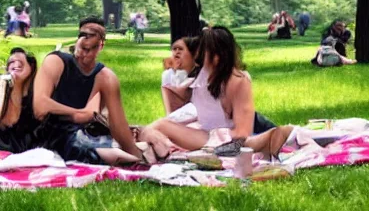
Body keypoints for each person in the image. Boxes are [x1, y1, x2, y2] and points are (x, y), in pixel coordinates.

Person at [138, 27, 293, 160]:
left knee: (248, 143)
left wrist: (217, 141)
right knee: (154, 128)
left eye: (202, 53)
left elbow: (242, 132)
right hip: (204, 131)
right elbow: (174, 107)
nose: (197, 57)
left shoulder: (239, 80)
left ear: (216, 57)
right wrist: (173, 72)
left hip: (225, 137)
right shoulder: (203, 74)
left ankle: (269, 139)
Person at [32, 19, 145, 164]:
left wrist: (137, 157)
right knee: (98, 151)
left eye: (89, 49)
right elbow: (39, 107)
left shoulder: (105, 77)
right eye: (81, 46)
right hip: (43, 132)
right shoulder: (56, 61)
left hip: (78, 133)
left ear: (101, 46)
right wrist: (76, 113)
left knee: (109, 148)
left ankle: (133, 158)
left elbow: (118, 124)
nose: (83, 54)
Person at [0, 48, 41, 153]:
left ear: (31, 67)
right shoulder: (2, 90)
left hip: (28, 147)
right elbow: (8, 122)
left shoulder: (37, 95)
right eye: (11, 63)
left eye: (20, 62)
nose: (15, 65)